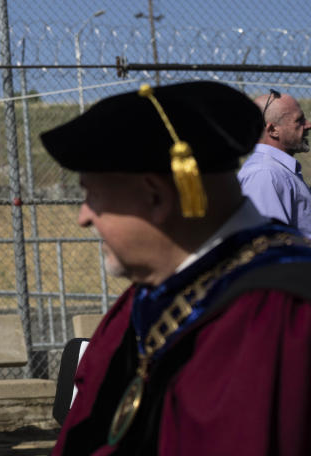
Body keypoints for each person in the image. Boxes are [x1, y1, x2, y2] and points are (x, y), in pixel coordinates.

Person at [43, 81, 311, 456]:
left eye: (92, 195)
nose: (83, 217)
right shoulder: (146, 298)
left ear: (155, 198)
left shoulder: (279, 312)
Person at [237, 89, 311, 237]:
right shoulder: (266, 175)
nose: (308, 124)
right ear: (273, 130)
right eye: (299, 120)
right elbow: (269, 243)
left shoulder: (277, 171)